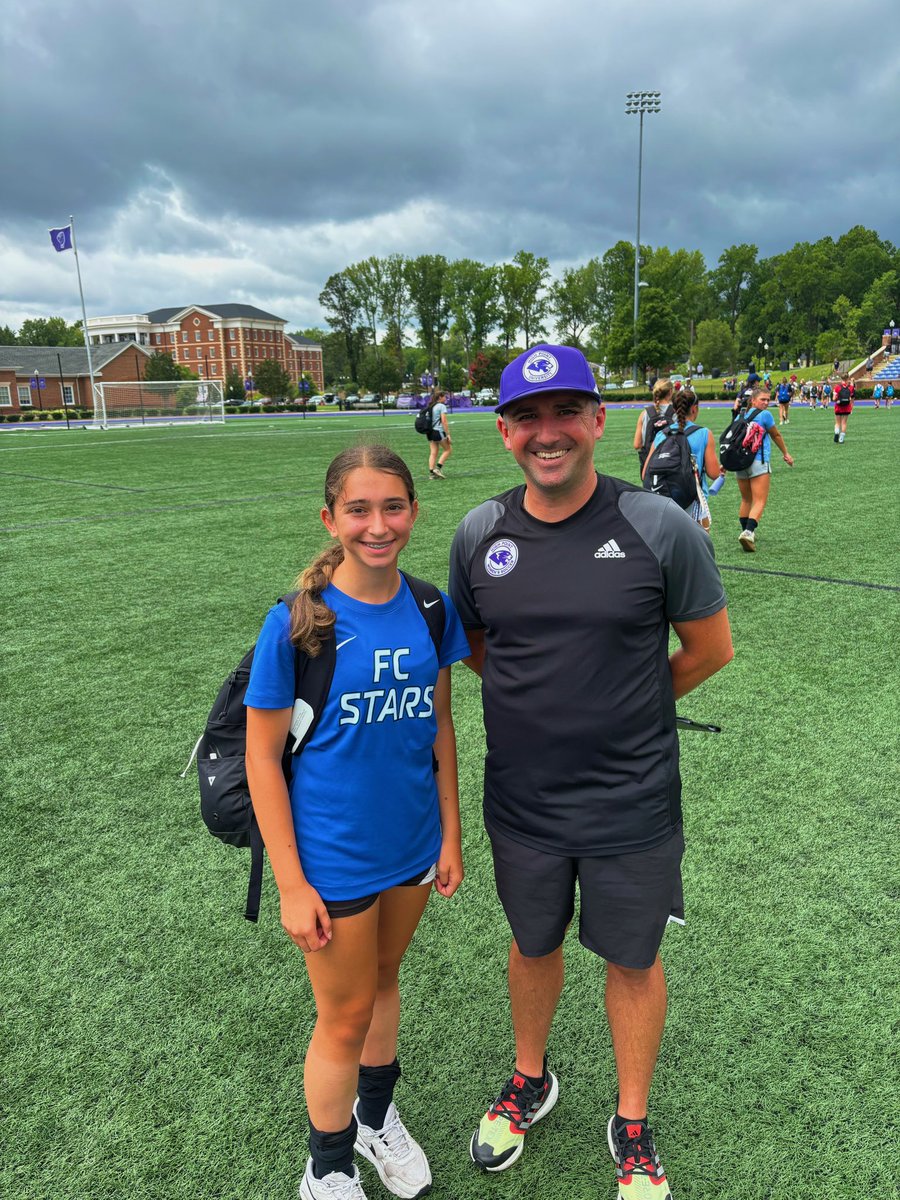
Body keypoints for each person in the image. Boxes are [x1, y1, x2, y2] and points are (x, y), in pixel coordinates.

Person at [448, 344, 733, 1200]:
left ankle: (633, 1124)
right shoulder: (480, 533)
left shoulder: (657, 525)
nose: (549, 432)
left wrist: (626, 704)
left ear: (598, 421)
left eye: (566, 412)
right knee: (532, 945)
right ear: (503, 432)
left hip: (630, 802)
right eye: (528, 418)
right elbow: (482, 653)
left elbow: (708, 650)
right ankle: (530, 1079)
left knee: (633, 960)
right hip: (524, 802)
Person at [245, 444, 470, 1200]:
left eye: (393, 507)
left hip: (408, 845)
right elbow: (262, 761)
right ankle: (328, 1166)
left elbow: (438, 727)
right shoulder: (296, 626)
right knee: (343, 1016)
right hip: (332, 859)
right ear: (331, 519)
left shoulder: (432, 607)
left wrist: (450, 834)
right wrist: (290, 884)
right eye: (360, 510)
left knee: (383, 982)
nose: (379, 525)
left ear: (414, 510)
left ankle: (375, 1121)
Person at [644, 386, 722, 530]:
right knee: (698, 547)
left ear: (674, 409)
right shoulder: (704, 433)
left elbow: (645, 473)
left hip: (665, 501)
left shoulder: (662, 434)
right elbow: (714, 473)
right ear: (694, 408)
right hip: (693, 500)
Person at [735, 384, 794, 552]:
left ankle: (744, 530)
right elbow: (776, 434)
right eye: (763, 399)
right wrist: (786, 453)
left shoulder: (741, 415)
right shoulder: (765, 415)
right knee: (759, 500)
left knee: (746, 499)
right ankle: (748, 532)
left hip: (740, 462)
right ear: (753, 400)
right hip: (758, 460)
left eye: (768, 400)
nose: (766, 403)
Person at [632, 378, 674, 473]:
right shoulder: (677, 413)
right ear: (670, 391)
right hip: (671, 463)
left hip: (650, 465)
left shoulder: (645, 414)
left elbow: (637, 444)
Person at [426, 389, 453, 479]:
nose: (445, 398)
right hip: (438, 431)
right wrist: (448, 434)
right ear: (440, 397)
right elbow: (444, 421)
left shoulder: (431, 406)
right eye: (444, 396)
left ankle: (431, 473)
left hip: (430, 432)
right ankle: (438, 468)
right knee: (448, 449)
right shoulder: (441, 406)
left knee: (433, 452)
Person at [833, 375, 854, 443]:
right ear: (848, 378)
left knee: (837, 423)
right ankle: (841, 439)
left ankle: (836, 433)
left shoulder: (837, 387)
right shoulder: (851, 387)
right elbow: (851, 399)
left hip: (838, 406)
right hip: (847, 407)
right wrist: (851, 408)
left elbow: (834, 398)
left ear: (841, 378)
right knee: (844, 423)